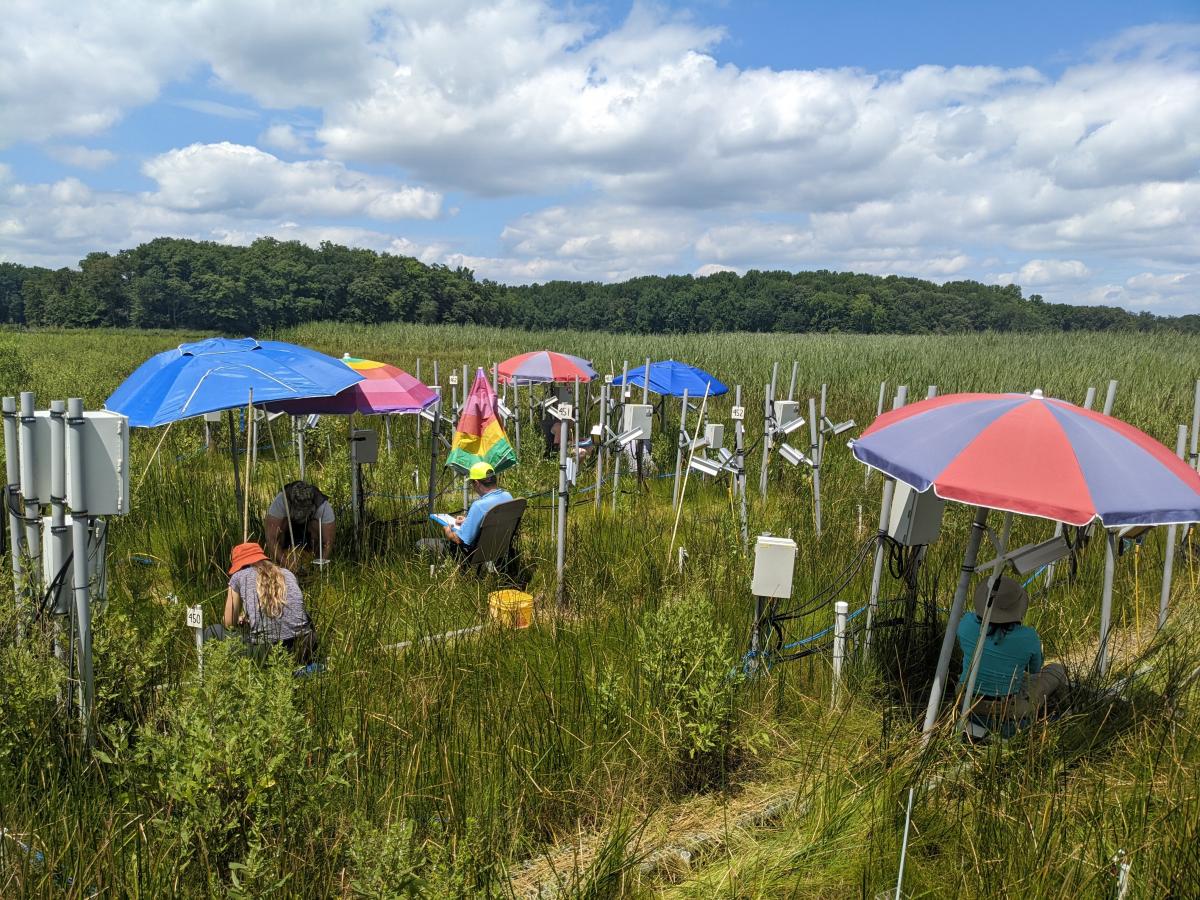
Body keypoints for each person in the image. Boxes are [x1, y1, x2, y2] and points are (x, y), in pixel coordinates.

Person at [957, 575, 1067, 730]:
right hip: (1007, 707)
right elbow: (1034, 670)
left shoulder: (966, 623)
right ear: (1017, 608)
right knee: (1056, 670)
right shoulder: (1029, 636)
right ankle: (1057, 710)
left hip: (965, 699)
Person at [214, 541, 317, 664]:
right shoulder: (287, 573)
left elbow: (228, 623)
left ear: (239, 566)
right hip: (306, 647)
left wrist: (239, 620)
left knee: (213, 631)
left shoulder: (238, 577)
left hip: (270, 652)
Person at [421, 461, 514, 557]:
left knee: (421, 543)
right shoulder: (508, 496)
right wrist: (468, 521)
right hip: (501, 549)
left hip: (476, 554)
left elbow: (458, 540)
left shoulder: (478, 506)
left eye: (471, 483)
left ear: (477, 483)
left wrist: (448, 531)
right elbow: (493, 520)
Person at [264, 480, 335, 566]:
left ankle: (314, 560)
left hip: (310, 532)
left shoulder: (323, 507)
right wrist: (286, 563)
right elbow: (271, 538)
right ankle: (279, 563)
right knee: (280, 527)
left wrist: (321, 564)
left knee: (317, 525)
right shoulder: (281, 501)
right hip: (287, 531)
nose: (300, 513)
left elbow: (328, 542)